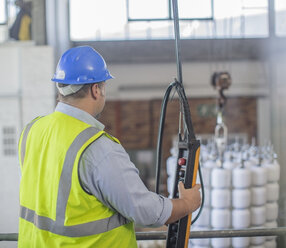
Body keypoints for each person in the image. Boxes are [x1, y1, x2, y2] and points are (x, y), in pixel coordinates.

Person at [18, 46, 201, 247]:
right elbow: (146, 212)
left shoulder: (32, 130)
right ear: (96, 90)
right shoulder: (97, 148)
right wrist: (187, 203)